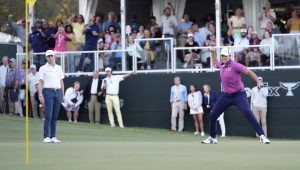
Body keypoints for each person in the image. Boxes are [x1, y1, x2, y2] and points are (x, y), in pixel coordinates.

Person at [201, 47, 270, 144]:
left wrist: (258, 80)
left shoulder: (235, 65)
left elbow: (249, 72)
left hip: (239, 95)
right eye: (222, 56)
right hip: (226, 96)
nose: (224, 57)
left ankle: (262, 136)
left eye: (225, 56)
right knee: (213, 115)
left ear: (230, 56)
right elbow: (215, 63)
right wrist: (212, 52)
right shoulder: (221, 64)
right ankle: (212, 138)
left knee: (248, 113)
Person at [38, 50, 65, 143]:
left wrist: (63, 94)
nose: (49, 58)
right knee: (48, 115)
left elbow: (61, 81)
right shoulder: (43, 68)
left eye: (51, 56)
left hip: (57, 92)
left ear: (54, 57)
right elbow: (40, 82)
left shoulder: (59, 68)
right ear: (46, 57)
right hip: (48, 91)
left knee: (54, 115)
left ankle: (53, 136)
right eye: (48, 56)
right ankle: (46, 136)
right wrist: (40, 94)